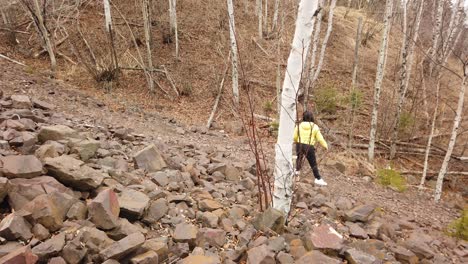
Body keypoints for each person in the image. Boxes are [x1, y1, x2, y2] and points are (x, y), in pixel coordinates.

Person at [293, 111, 328, 186]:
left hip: (299, 144)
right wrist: (325, 145)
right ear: (312, 117)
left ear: (303, 117)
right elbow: (320, 138)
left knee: (299, 159)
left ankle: (297, 173)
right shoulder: (314, 127)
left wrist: (296, 141)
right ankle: (318, 178)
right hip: (309, 146)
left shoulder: (299, 125)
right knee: (313, 163)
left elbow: (294, 136)